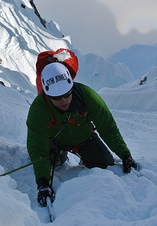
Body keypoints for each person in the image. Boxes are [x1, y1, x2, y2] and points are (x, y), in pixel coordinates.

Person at [26, 62, 139, 207]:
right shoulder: (38, 110)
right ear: (48, 95)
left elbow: (107, 127)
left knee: (105, 163)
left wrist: (125, 155)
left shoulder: (87, 96)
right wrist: (43, 183)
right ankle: (60, 156)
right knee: (54, 163)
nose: (64, 100)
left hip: (83, 138)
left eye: (67, 94)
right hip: (54, 143)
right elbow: (37, 148)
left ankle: (84, 158)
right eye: (57, 97)